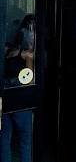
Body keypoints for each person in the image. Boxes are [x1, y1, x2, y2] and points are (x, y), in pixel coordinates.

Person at [2, 14, 35, 162]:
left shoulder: (7, 50)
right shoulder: (26, 53)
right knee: (25, 139)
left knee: (4, 138)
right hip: (20, 93)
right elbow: (29, 78)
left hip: (5, 92)